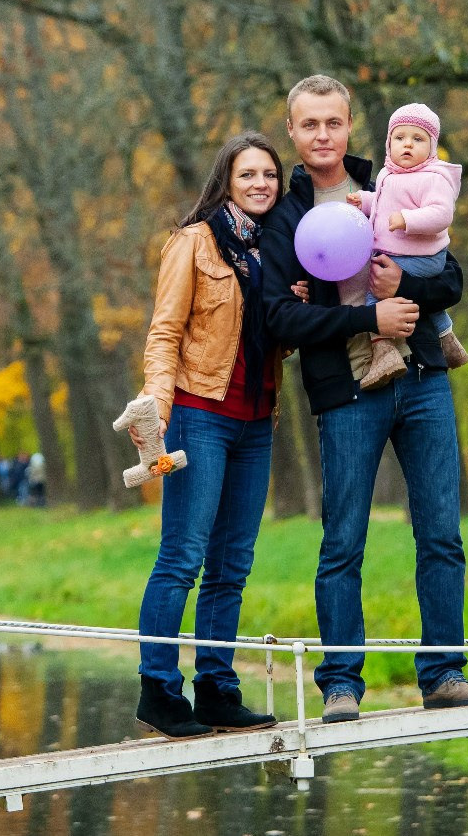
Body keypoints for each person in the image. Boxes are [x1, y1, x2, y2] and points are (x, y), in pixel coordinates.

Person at [261, 75, 468, 724]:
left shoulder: (391, 181)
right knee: (343, 542)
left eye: (332, 123)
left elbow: (451, 274)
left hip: (422, 376)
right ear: (293, 131)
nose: (322, 135)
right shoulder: (286, 215)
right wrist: (368, 319)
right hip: (347, 393)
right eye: (309, 125)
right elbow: (282, 318)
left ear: (348, 124)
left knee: (442, 532)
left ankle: (443, 672)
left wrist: (405, 281)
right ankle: (341, 682)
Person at [131, 131, 288, 740]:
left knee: (232, 565)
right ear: (226, 180)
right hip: (199, 415)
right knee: (183, 558)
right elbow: (165, 332)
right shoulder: (192, 243)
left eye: (270, 175)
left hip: (256, 420)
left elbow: (273, 334)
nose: (261, 184)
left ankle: (218, 688)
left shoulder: (274, 252)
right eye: (248, 174)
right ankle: (159, 691)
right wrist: (156, 411)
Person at [346, 102, 468, 389]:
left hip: (423, 257)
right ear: (389, 143)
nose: (407, 146)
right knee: (421, 299)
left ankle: (384, 351)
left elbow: (442, 214)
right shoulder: (391, 175)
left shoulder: (433, 177)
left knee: (373, 287)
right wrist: (363, 201)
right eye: (400, 138)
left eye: (418, 139)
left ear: (432, 146)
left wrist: (408, 219)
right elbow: (382, 202)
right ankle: (448, 340)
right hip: (409, 254)